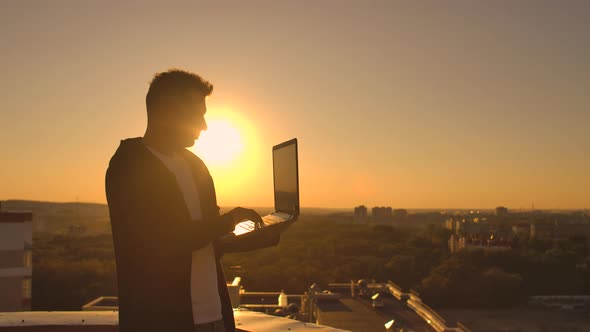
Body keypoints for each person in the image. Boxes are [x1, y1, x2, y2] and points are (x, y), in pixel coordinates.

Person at [105, 69, 283, 332]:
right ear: (167, 111)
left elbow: (209, 243)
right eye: (197, 115)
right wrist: (230, 220)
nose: (204, 126)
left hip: (214, 316)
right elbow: (164, 240)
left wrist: (263, 236)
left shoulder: (194, 165)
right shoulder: (128, 166)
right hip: (161, 320)